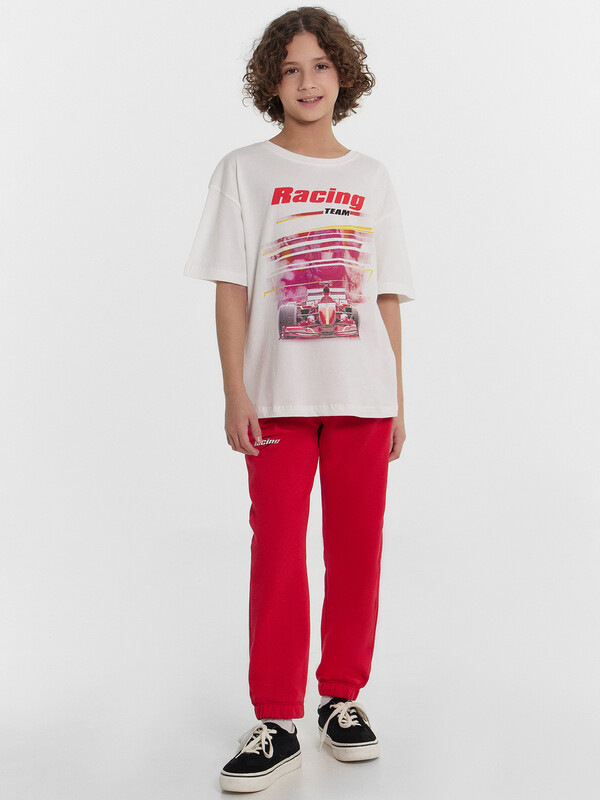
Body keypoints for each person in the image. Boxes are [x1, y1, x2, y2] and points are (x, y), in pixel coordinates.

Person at [183, 6, 416, 793]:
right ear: (271, 83)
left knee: (357, 552)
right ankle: (278, 720)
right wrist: (235, 391)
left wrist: (398, 399)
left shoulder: (372, 178)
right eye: (290, 69)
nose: (307, 82)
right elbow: (230, 289)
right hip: (277, 399)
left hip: (363, 397)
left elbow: (386, 296)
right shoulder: (243, 170)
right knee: (278, 552)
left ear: (342, 74)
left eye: (320, 65)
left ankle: (341, 700)